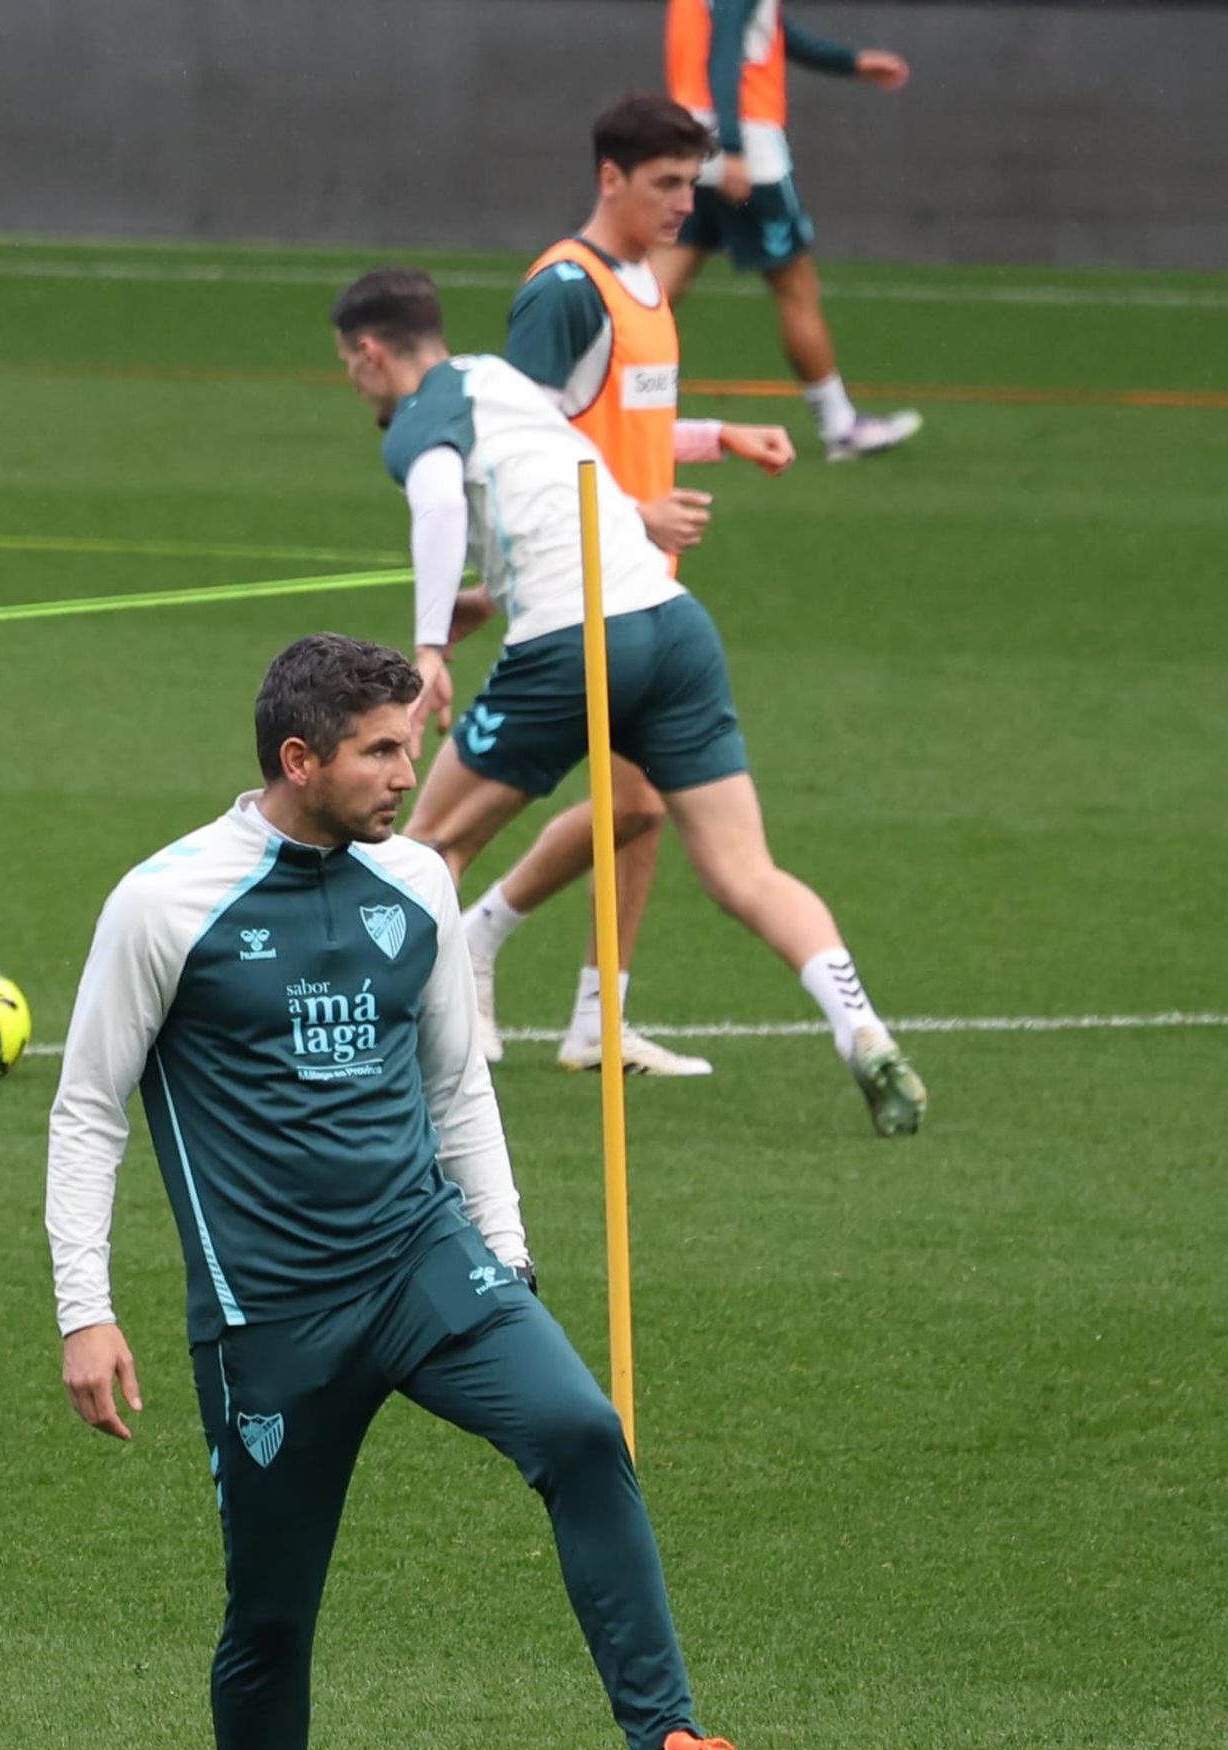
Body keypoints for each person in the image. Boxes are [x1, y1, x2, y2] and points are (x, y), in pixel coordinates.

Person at [46, 632, 815, 1750]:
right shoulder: (165, 904)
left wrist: (508, 1264)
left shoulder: (415, 884)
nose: (416, 774)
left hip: (425, 1264)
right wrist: (84, 1309)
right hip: (270, 1317)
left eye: (413, 744)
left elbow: (459, 1088)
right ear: (301, 761)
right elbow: (91, 1107)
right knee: (272, 1617)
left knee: (582, 1426)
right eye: (384, 752)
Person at [329, 265, 925, 1135]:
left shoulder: (419, 420)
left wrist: (427, 644)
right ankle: (863, 1029)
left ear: (373, 353)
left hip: (572, 644)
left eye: (351, 367)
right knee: (743, 870)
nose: (356, 384)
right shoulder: (503, 383)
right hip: (673, 625)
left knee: (426, 846)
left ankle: (381, 1064)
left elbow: (435, 506)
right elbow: (582, 497)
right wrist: (489, 601)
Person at [465, 91, 795, 1079]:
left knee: (639, 810)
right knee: (616, 807)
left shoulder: (642, 284)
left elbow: (622, 424)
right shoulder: (565, 291)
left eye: (690, 184)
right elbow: (518, 435)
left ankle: (594, 1020)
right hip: (577, 585)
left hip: (641, 584)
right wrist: (633, 515)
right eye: (666, 183)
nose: (685, 204)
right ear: (609, 178)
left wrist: (715, 436)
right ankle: (471, 945)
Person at [658, 0, 921, 463]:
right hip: (746, 147)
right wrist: (734, 149)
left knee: (657, 287)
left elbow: (770, 32)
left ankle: (579, 395)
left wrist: (851, 62)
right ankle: (840, 428)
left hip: (690, 137)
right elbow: (725, 53)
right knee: (796, 290)